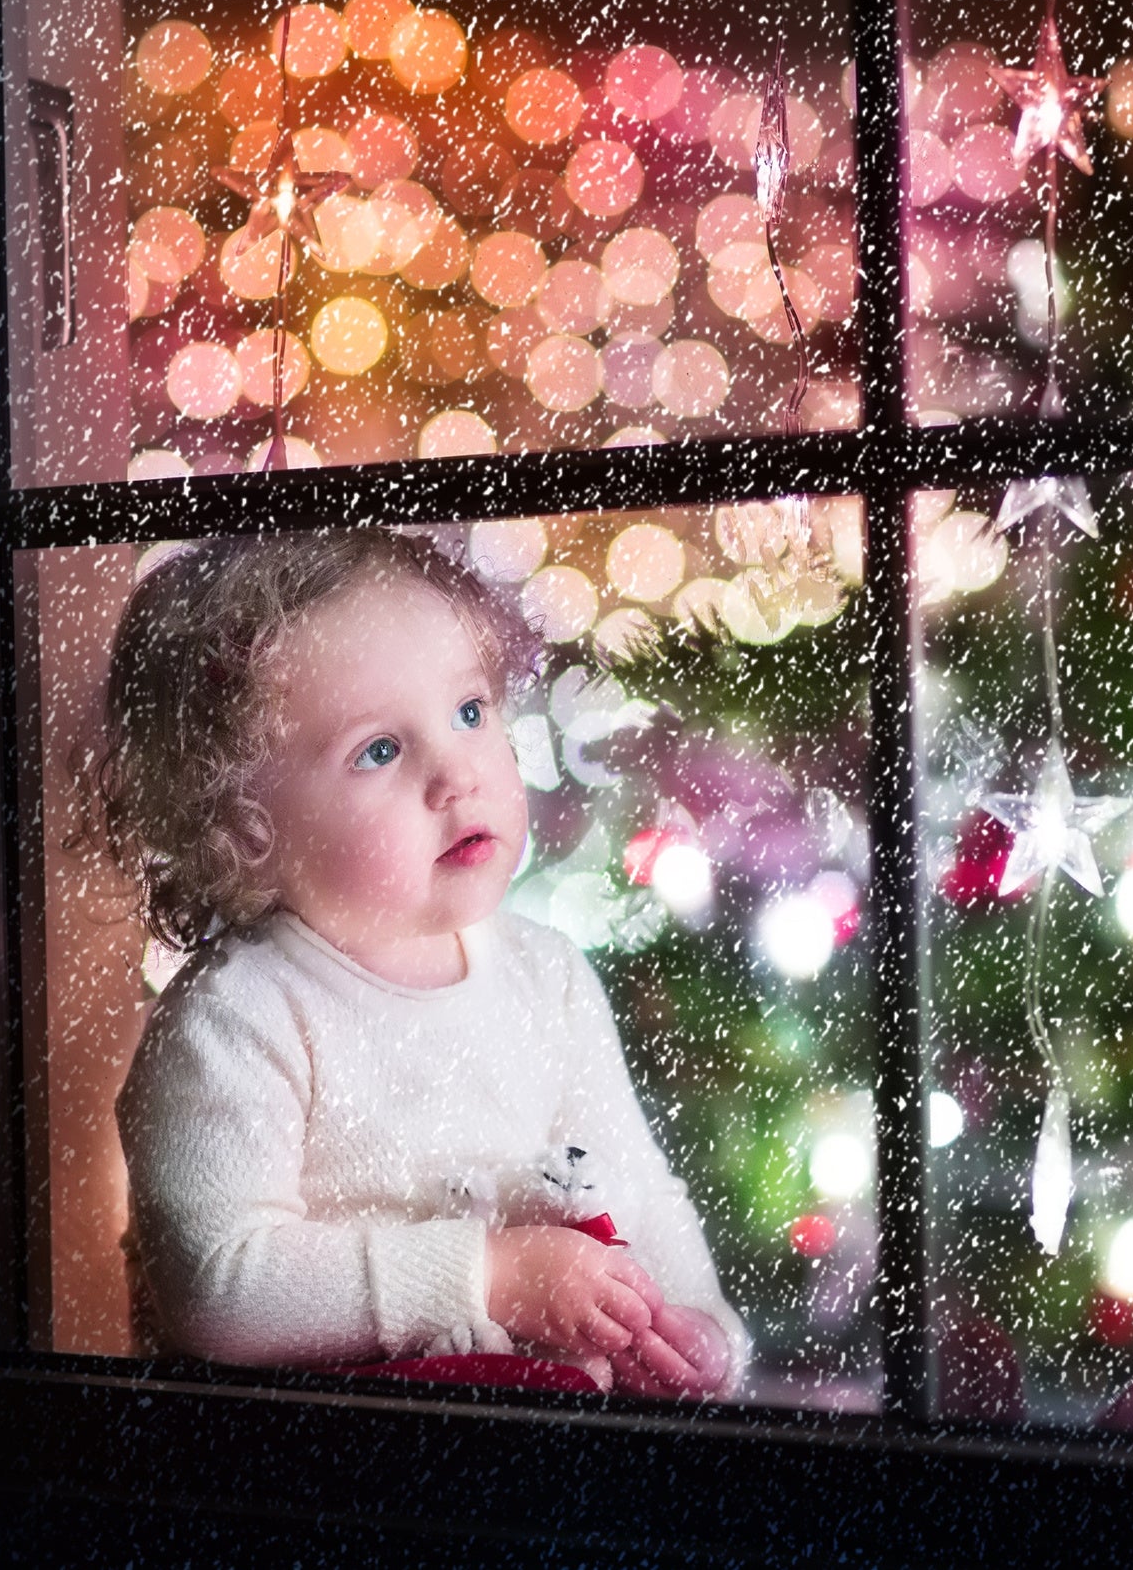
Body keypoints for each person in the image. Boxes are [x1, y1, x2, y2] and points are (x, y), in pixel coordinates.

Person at [100, 529, 745, 1397]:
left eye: (470, 712)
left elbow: (640, 1188)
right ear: (246, 830)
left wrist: (696, 1326)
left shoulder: (545, 978)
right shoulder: (240, 1014)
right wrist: (490, 1275)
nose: (457, 774)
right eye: (379, 750)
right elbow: (215, 1289)